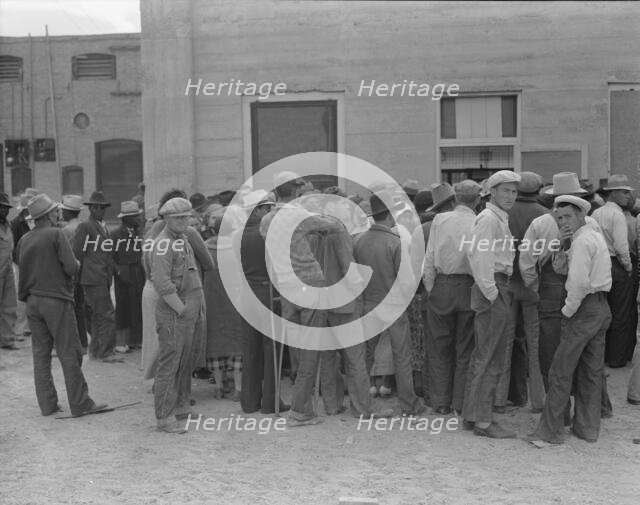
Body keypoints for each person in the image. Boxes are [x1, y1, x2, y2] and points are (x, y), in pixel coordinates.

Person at [260, 171, 344, 426]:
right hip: (309, 281)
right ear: (296, 191)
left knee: (297, 346)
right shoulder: (298, 214)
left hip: (286, 284)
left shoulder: (266, 220)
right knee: (312, 347)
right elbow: (334, 226)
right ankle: (300, 410)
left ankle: (301, 404)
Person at [528, 195, 611, 444]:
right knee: (591, 370)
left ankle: (550, 431)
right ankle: (586, 428)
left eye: (568, 216)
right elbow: (573, 272)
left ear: (581, 215)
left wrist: (566, 311)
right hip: (600, 306)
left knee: (560, 371)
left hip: (582, 309)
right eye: (560, 217)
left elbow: (577, 283)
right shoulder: (591, 236)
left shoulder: (583, 241)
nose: (563, 221)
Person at [17, 193, 106, 417]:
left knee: (41, 355)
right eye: (55, 211)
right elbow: (71, 268)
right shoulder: (56, 234)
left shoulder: (25, 239)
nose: (59, 214)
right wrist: (75, 262)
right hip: (56, 300)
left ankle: (47, 405)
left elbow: (23, 268)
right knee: (70, 352)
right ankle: (80, 402)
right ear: (48, 215)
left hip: (32, 302)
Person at [354, 190, 426, 416]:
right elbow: (406, 282)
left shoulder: (359, 241)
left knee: (365, 357)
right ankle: (408, 404)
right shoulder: (395, 242)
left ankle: (361, 404)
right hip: (393, 305)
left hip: (368, 304)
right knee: (401, 356)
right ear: (391, 214)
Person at [462, 169, 521, 439]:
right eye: (505, 190)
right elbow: (479, 256)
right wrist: (492, 291)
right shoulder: (488, 219)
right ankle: (483, 421)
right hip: (494, 287)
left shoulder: (495, 218)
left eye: (514, 191)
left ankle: (474, 415)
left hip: (496, 286)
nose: (511, 196)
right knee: (490, 355)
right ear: (492, 192)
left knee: (485, 354)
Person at [422, 180, 480, 415]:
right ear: (478, 200)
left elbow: (430, 257)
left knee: (439, 347)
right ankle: (460, 402)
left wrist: (431, 288)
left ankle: (440, 401)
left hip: (442, 285)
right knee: (465, 347)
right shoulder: (479, 221)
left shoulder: (439, 220)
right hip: (469, 285)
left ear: (455, 198)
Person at [151, 197, 206, 434]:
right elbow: (162, 283)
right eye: (178, 218)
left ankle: (182, 405)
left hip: (188, 310)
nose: (185, 221)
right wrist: (181, 309)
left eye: (186, 217)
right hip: (175, 312)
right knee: (170, 363)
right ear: (166, 219)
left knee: (186, 361)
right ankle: (164, 417)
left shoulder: (183, 239)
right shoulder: (163, 244)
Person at [495, 171, 547, 414]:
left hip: (507, 284)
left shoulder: (504, 213)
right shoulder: (546, 216)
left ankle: (499, 398)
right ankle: (538, 399)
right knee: (536, 345)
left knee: (504, 344)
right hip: (533, 287)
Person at [233, 189, 289, 414]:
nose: (270, 213)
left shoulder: (237, 234)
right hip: (267, 292)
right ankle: (271, 402)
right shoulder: (269, 233)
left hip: (246, 293)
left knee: (251, 348)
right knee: (271, 348)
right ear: (259, 210)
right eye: (267, 208)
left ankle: (249, 402)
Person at [592, 174, 635, 368]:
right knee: (621, 313)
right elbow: (621, 247)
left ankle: (602, 356)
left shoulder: (596, 214)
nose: (628, 196)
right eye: (625, 192)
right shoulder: (617, 214)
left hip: (599, 264)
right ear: (614, 193)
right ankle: (616, 358)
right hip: (616, 265)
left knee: (603, 313)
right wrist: (628, 268)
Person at [73, 191, 118, 362]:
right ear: (90, 208)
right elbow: (78, 253)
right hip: (93, 278)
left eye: (102, 207)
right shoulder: (86, 226)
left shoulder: (102, 226)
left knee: (99, 314)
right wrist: (79, 277)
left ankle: (98, 351)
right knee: (107, 314)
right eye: (96, 207)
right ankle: (105, 352)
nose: (100, 210)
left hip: (102, 277)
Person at [204, 210, 244, 401]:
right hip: (234, 301)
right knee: (236, 343)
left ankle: (219, 387)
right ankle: (238, 388)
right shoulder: (236, 248)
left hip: (211, 302)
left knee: (215, 343)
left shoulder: (205, 248)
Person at [112, 201, 145, 352]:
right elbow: (109, 257)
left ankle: (136, 340)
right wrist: (118, 271)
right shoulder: (115, 234)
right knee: (123, 307)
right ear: (126, 218)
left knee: (138, 306)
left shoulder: (139, 233)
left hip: (138, 273)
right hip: (123, 275)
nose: (138, 218)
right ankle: (121, 343)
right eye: (135, 216)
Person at [60, 195, 88, 353]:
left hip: (71, 274)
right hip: (83, 272)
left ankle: (76, 344)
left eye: (63, 211)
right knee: (81, 308)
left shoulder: (66, 230)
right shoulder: (83, 226)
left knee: (72, 309)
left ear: (68, 212)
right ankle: (83, 342)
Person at [0, 192, 18, 350]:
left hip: (8, 269)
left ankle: (7, 339)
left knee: (9, 305)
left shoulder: (8, 225)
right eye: (3, 207)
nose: (6, 211)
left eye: (7, 208)